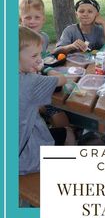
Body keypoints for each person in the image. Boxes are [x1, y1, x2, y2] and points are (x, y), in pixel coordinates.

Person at [19, 27, 76, 175]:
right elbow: (62, 80)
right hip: (25, 158)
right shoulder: (31, 81)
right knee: (67, 133)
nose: (39, 59)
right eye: (34, 56)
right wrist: (46, 69)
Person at [19, 0, 71, 129]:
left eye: (37, 17)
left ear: (43, 19)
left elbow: (42, 59)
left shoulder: (44, 38)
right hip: (29, 89)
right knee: (60, 118)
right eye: (28, 17)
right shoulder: (19, 40)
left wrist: (46, 66)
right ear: (21, 19)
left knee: (64, 110)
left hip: (39, 80)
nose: (32, 21)